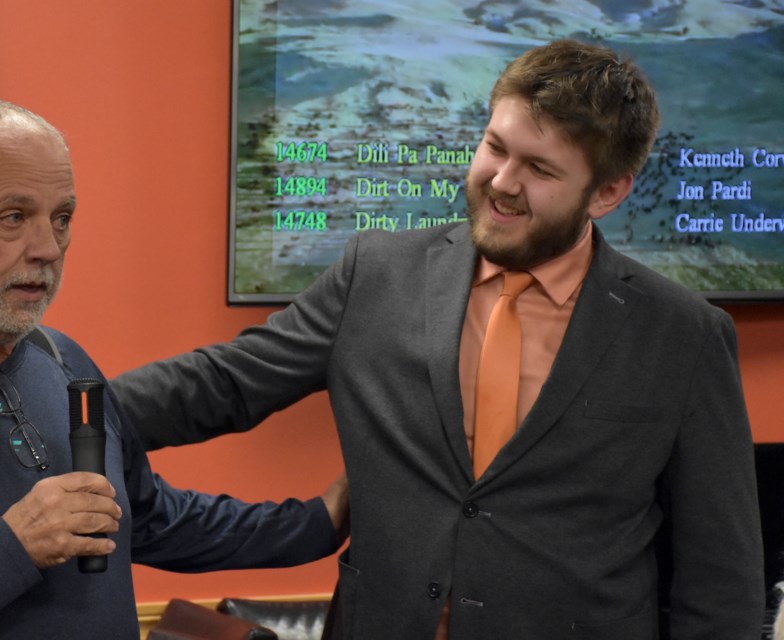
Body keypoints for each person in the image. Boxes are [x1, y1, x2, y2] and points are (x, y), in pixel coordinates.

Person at [110, 39, 764, 639]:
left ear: (609, 191)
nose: (503, 182)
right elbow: (220, 385)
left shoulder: (684, 337)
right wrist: (54, 410)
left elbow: (721, 580)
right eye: (496, 147)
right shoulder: (374, 273)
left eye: (539, 168)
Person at [0, 99, 349, 640]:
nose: (47, 248)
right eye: (13, 217)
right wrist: (11, 547)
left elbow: (151, 518)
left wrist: (316, 523)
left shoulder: (63, 360)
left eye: (62, 218)